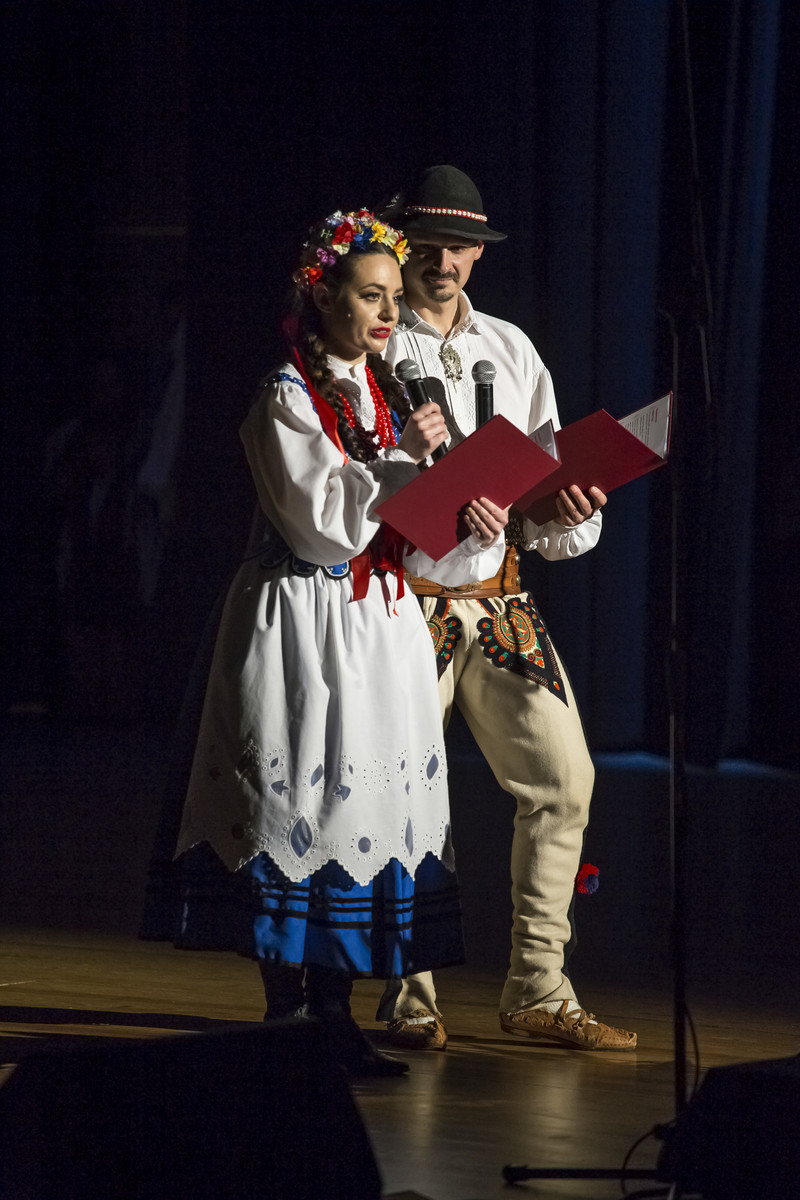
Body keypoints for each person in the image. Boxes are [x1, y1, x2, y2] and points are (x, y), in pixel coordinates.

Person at [153, 208, 508, 1076]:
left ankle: (335, 1017)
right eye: (371, 295)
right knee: (297, 809)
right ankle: (288, 1018)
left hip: (376, 626)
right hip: (302, 622)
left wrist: (459, 511)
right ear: (323, 297)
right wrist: (405, 468)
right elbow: (320, 529)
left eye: (393, 296)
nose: (389, 312)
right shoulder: (284, 396)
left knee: (359, 813)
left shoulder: (387, 397)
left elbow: (403, 534)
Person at [376, 166, 637, 1052]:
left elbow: (547, 496)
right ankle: (408, 994)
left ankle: (539, 986)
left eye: (460, 247)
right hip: (403, 601)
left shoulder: (513, 350)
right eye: (428, 245)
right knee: (405, 798)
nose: (443, 262)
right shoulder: (378, 346)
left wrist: (565, 507)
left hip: (498, 601)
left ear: (479, 255)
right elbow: (355, 486)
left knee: (565, 779)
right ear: (401, 247)